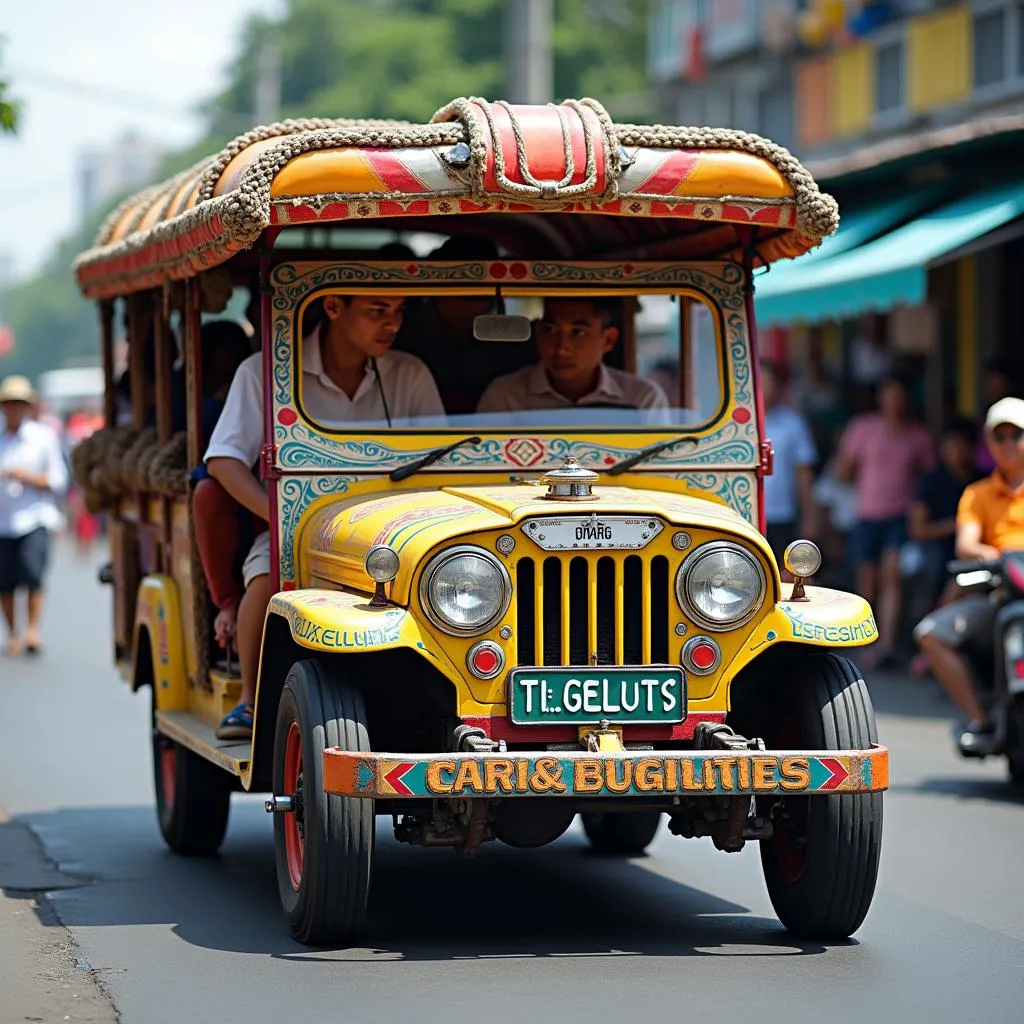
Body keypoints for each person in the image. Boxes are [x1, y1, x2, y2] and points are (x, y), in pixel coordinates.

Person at [204, 294, 444, 740]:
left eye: (398, 312)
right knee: (265, 573)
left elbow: (438, 459)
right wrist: (277, 519)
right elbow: (223, 460)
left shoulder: (409, 373)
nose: (390, 324)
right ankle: (249, 702)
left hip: (399, 532)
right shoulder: (264, 372)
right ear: (333, 307)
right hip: (300, 529)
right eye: (377, 310)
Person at [914, 398, 1024, 754]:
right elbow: (966, 544)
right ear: (990, 445)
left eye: (1016, 435)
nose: (1008, 444)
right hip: (998, 594)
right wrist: (998, 557)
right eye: (1000, 437)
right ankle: (981, 718)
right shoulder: (976, 494)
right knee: (931, 634)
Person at [835, 375, 935, 668]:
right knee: (868, 582)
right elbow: (843, 471)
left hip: (899, 516)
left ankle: (887, 644)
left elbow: (927, 477)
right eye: (889, 394)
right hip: (866, 514)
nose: (894, 401)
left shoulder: (918, 435)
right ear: (881, 397)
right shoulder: (862, 428)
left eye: (900, 395)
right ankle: (868, 640)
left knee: (891, 577)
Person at [395, 236, 534, 414]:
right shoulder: (400, 332)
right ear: (436, 290)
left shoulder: (513, 342)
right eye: (455, 292)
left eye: (477, 296)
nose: (465, 306)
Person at [476, 297, 668, 415]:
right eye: (550, 330)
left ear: (608, 340)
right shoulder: (506, 396)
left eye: (578, 333)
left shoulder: (642, 399)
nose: (561, 348)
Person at [0, 376, 68, 655]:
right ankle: (13, 633)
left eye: (19, 404)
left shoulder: (43, 438)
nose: (14, 409)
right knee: (5, 582)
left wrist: (26, 477)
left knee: (32, 574)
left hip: (34, 517)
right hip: (3, 521)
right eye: (9, 404)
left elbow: (58, 480)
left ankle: (32, 630)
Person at [760, 360, 818, 565]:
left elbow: (804, 473)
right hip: (746, 516)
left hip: (783, 514)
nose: (764, 388)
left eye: (769, 382)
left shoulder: (793, 423)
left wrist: (810, 518)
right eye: (760, 382)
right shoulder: (738, 425)